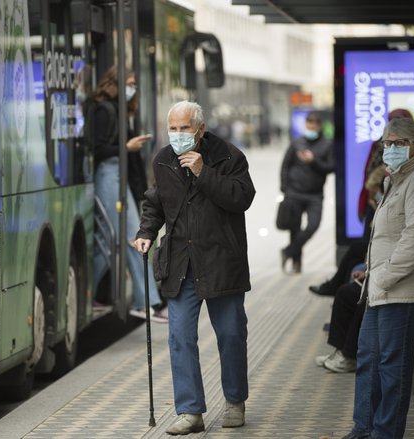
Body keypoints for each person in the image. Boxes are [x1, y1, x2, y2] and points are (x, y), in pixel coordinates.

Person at [134, 101, 255, 435]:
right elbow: (154, 202)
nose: (178, 135)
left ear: (200, 129)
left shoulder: (228, 156)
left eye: (184, 128)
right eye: (172, 128)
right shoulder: (163, 159)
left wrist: (204, 173)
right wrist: (145, 233)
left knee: (231, 334)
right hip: (180, 263)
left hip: (220, 262)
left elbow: (241, 198)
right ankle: (190, 411)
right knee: (179, 337)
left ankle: (234, 401)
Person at [342, 117, 414, 439]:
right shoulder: (397, 179)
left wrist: (383, 277)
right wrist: (372, 272)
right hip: (383, 287)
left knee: (392, 368)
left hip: (404, 290)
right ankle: (363, 430)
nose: (389, 149)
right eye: (386, 143)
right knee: (369, 360)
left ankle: (385, 434)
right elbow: (387, 236)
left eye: (396, 143)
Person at [83, 65, 166, 323]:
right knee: (134, 237)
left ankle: (87, 295)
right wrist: (125, 147)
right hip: (108, 176)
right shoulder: (105, 110)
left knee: (108, 242)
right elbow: (95, 149)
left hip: (116, 176)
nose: (133, 88)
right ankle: (146, 302)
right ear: (115, 83)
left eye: (134, 83)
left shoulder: (118, 111)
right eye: (129, 82)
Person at [279, 111, 334, 273]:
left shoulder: (327, 144)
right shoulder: (297, 143)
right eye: (309, 123)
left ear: (320, 126)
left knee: (312, 226)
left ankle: (288, 251)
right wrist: (284, 188)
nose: (311, 126)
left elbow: (330, 167)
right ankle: (296, 263)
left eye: (314, 123)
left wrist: (313, 161)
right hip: (294, 192)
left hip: (315, 194)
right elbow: (285, 165)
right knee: (294, 228)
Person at [357, 109, 412, 240]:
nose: (395, 125)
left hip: (403, 204)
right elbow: (369, 175)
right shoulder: (379, 144)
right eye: (392, 121)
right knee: (369, 241)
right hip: (376, 201)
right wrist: (367, 201)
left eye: (399, 121)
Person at [314, 266, 366, 373]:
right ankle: (340, 350)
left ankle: (350, 356)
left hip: (388, 286)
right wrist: (367, 274)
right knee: (344, 292)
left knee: (363, 304)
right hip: (377, 280)